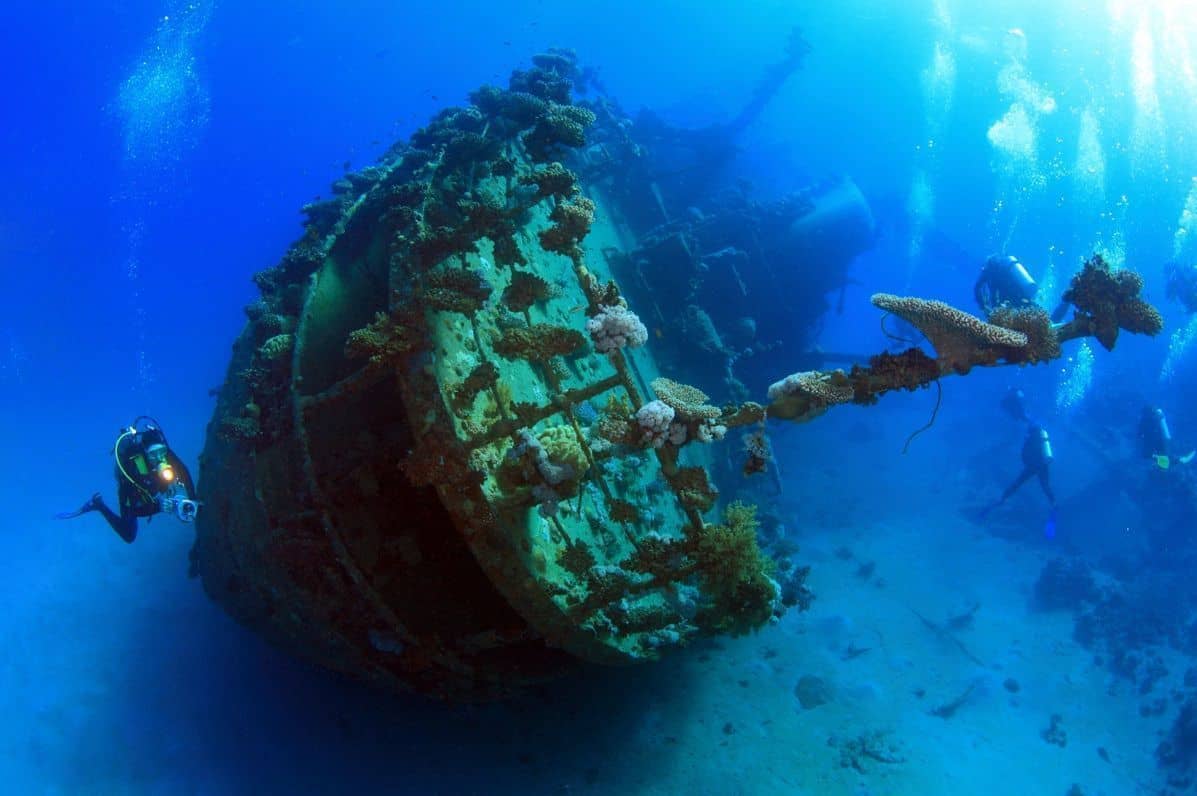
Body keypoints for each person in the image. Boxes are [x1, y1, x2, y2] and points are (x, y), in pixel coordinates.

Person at [56, 417, 199, 543]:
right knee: (129, 535)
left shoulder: (165, 452)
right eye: (153, 454)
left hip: (152, 486)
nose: (159, 457)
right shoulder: (133, 466)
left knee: (166, 479)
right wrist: (159, 507)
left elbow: (184, 471)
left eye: (161, 451)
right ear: (144, 452)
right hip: (132, 489)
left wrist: (193, 498)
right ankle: (98, 505)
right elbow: (135, 510)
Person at [974, 254, 1070, 322]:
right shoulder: (1005, 265)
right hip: (1023, 295)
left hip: (1011, 302)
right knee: (1045, 319)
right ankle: (1067, 299)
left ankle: (1066, 301)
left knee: (1037, 320)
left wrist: (984, 308)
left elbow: (978, 287)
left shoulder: (990, 270)